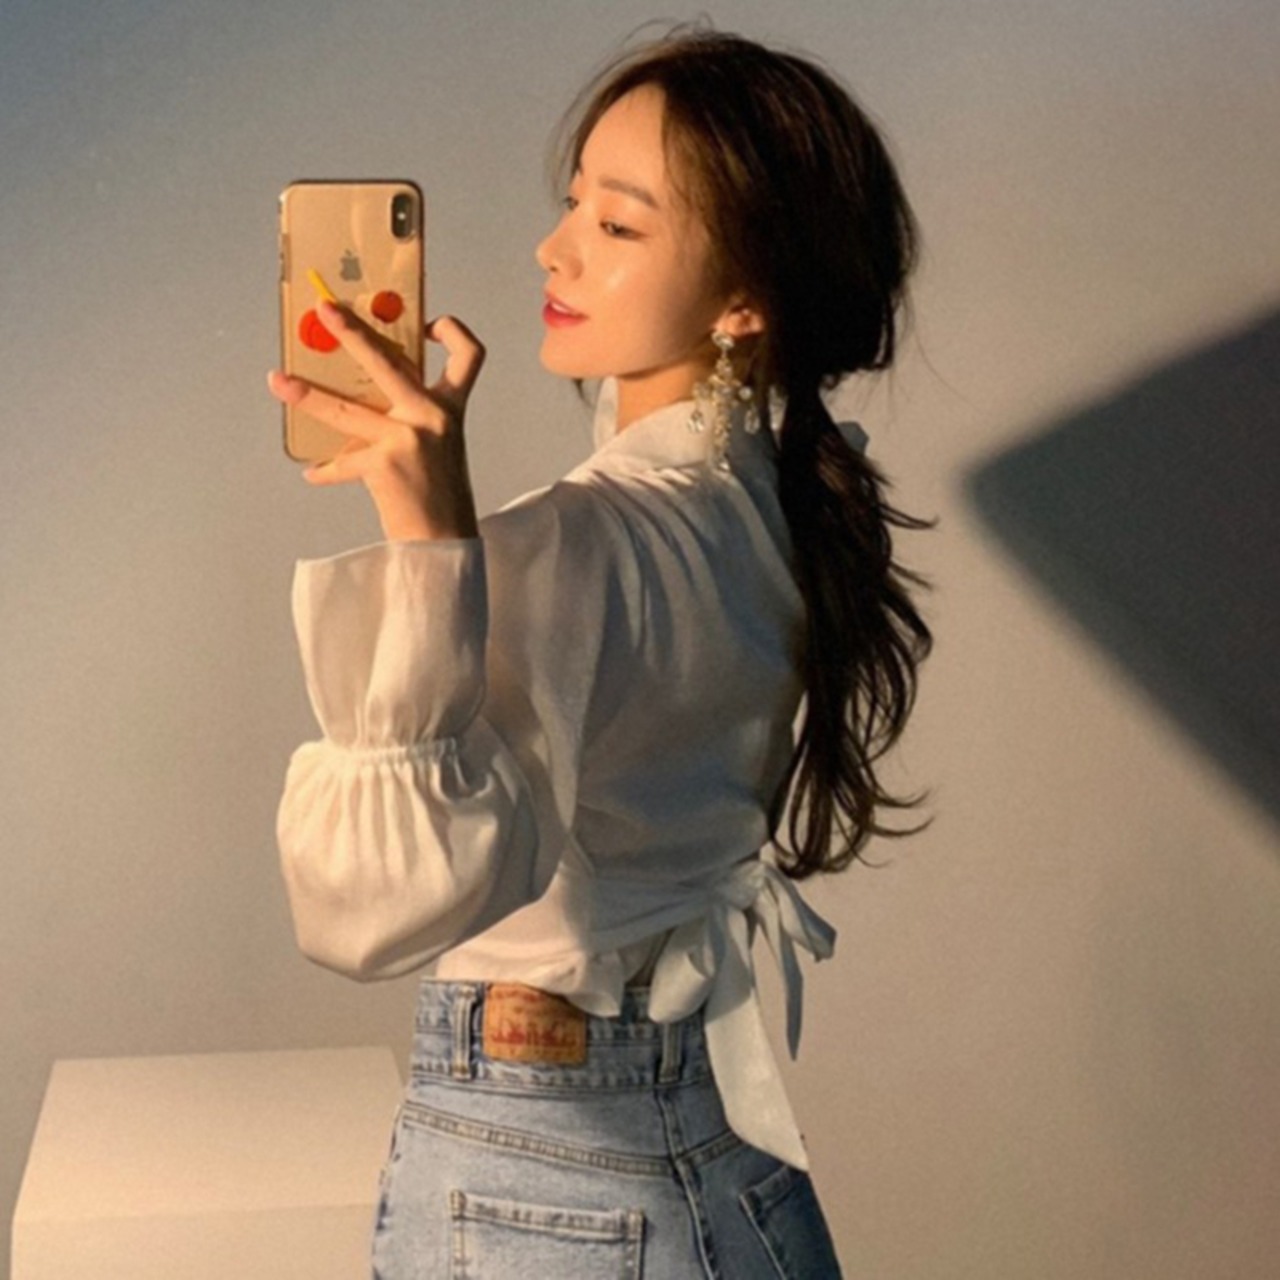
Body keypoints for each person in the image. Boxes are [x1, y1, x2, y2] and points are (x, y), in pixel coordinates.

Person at [267, 23, 932, 1279]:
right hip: (719, 1165)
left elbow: (366, 906)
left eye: (617, 223)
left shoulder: (584, 539)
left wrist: (427, 546)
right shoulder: (770, 507)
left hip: (547, 1184)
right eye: (572, 202)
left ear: (744, 299)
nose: (555, 247)